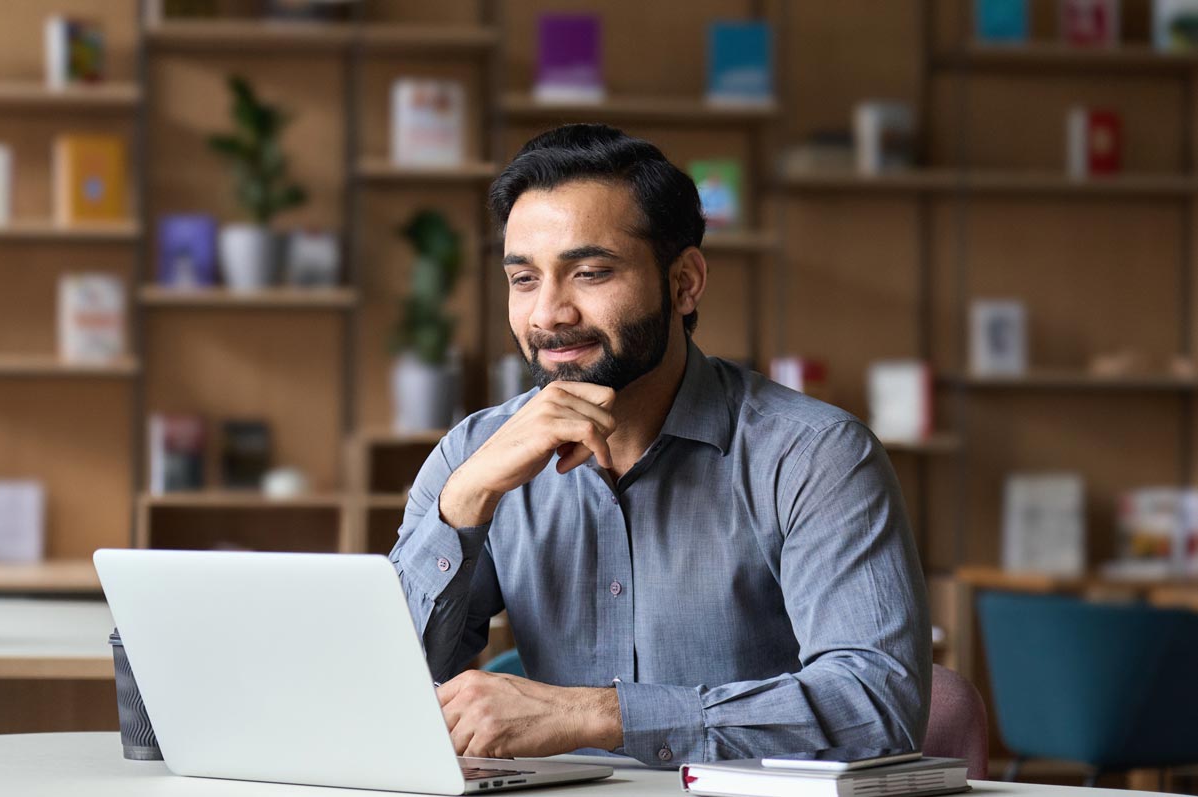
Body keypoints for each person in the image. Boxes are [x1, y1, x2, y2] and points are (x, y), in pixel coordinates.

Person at [389, 124, 930, 766]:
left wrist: (599, 714)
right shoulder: (472, 455)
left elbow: (877, 707)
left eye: (589, 272)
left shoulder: (816, 456)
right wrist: (465, 504)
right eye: (525, 279)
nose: (548, 315)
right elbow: (378, 691)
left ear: (684, 283)